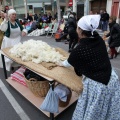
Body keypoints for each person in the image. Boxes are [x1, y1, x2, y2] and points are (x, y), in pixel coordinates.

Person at [57, 15, 120, 120]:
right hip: (112, 78)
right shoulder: (98, 39)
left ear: (81, 31)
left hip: (99, 86)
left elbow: (69, 62)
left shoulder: (80, 49)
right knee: (108, 111)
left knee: (94, 112)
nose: (76, 30)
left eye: (77, 27)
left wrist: (61, 63)